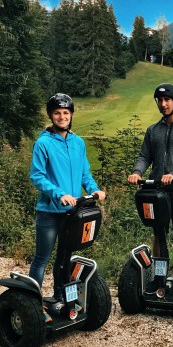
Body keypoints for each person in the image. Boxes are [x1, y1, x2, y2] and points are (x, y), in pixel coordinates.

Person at [29, 93, 106, 320]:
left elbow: (85, 173)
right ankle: (33, 306)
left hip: (73, 213)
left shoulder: (78, 142)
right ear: (51, 116)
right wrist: (59, 194)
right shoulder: (43, 143)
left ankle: (60, 297)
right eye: (57, 113)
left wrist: (94, 189)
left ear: (71, 115)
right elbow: (37, 176)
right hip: (50, 212)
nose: (62, 117)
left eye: (65, 113)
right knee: (42, 258)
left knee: (64, 257)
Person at [127, 83, 173, 296]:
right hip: (157, 192)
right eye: (160, 100)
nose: (164, 104)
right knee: (158, 234)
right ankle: (159, 277)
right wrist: (137, 172)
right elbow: (144, 156)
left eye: (168, 100)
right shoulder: (153, 130)